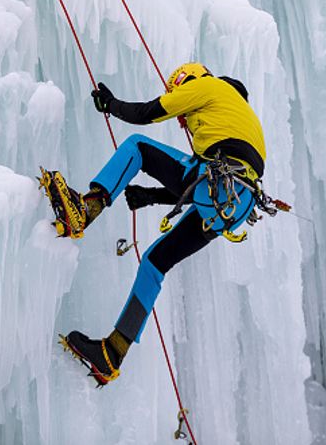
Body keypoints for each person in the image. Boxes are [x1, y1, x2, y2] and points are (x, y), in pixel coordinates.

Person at [41, 62, 266, 386]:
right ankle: (113, 352)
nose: (182, 120)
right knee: (154, 262)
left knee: (137, 147)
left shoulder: (208, 86)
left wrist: (112, 105)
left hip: (216, 181)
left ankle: (85, 210)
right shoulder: (242, 118)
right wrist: (150, 196)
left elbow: (149, 112)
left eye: (181, 104)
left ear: (187, 82)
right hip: (233, 203)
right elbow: (198, 188)